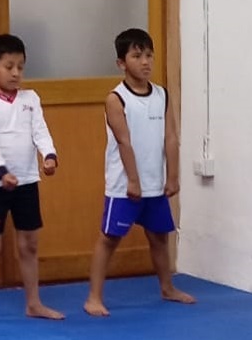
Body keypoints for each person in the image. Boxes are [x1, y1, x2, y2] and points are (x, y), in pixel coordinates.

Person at [84, 28, 195, 316]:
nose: (145, 62)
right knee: (109, 239)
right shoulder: (116, 98)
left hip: (155, 183)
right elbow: (124, 141)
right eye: (137, 56)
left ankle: (167, 287)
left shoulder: (161, 95)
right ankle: (93, 297)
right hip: (125, 186)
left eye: (148, 55)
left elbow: (170, 137)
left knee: (159, 237)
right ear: (121, 63)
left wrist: (172, 176)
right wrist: (133, 180)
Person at [0, 34, 64, 326]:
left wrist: (49, 155)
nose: (16, 73)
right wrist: (1, 171)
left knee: (29, 244)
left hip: (27, 181)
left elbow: (40, 130)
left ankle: (33, 303)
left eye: (20, 66)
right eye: (9, 66)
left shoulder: (31, 99)